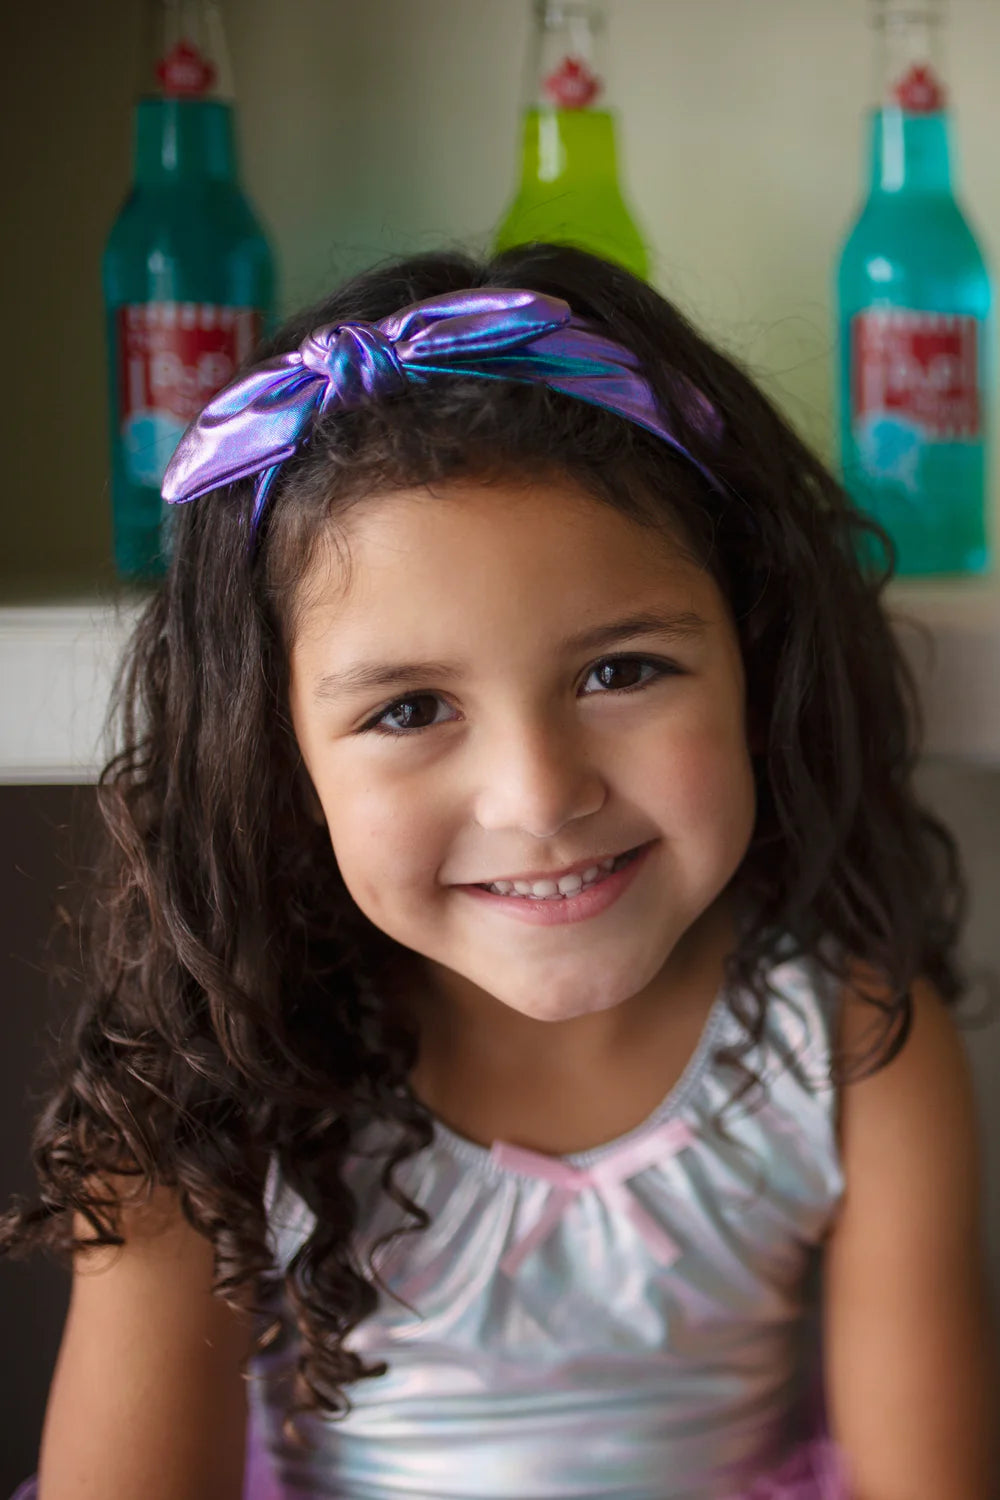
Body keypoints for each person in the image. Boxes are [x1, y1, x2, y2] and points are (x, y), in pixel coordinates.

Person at [2, 244, 997, 1500]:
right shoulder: (204, 1078)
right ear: (273, 760)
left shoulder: (849, 1038)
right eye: (412, 708)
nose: (539, 797)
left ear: (754, 660)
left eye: (620, 671)